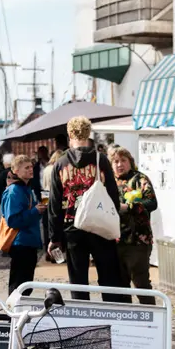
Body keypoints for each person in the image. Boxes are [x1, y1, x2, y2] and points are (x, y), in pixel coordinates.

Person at [48, 116, 129, 303]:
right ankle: (112, 314)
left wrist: (54, 237)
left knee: (78, 280)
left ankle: (82, 315)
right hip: (100, 224)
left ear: (70, 135)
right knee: (109, 277)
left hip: (72, 226)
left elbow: (54, 205)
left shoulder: (60, 164)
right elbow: (113, 195)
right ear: (88, 134)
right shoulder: (101, 160)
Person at [110, 147, 158, 305]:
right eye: (116, 161)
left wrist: (130, 207)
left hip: (138, 241)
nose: (119, 164)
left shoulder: (140, 179)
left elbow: (152, 202)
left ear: (130, 162)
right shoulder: (108, 181)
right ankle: (127, 318)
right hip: (115, 240)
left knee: (141, 283)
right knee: (121, 286)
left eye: (123, 160)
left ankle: (151, 317)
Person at [2, 155, 47, 296]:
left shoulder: (26, 188)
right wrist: (35, 211)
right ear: (16, 170)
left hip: (28, 241)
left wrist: (38, 210)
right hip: (20, 242)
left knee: (26, 285)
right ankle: (15, 309)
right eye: (26, 168)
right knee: (19, 285)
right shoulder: (14, 190)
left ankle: (20, 308)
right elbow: (12, 220)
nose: (30, 170)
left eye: (31, 167)